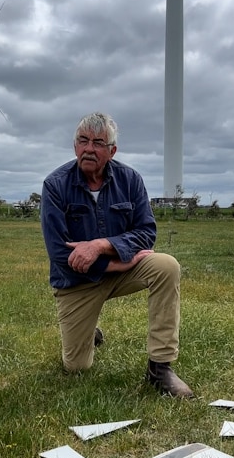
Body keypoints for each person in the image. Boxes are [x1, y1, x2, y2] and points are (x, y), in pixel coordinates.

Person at [41, 112, 194, 398]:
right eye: (83, 141)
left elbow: (146, 232)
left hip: (123, 270)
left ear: (112, 151)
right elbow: (61, 255)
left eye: (99, 142)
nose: (89, 148)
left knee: (166, 266)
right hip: (78, 283)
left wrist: (100, 245)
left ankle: (160, 368)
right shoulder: (55, 185)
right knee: (77, 366)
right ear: (75, 146)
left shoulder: (130, 179)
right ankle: (90, 332)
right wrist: (120, 260)